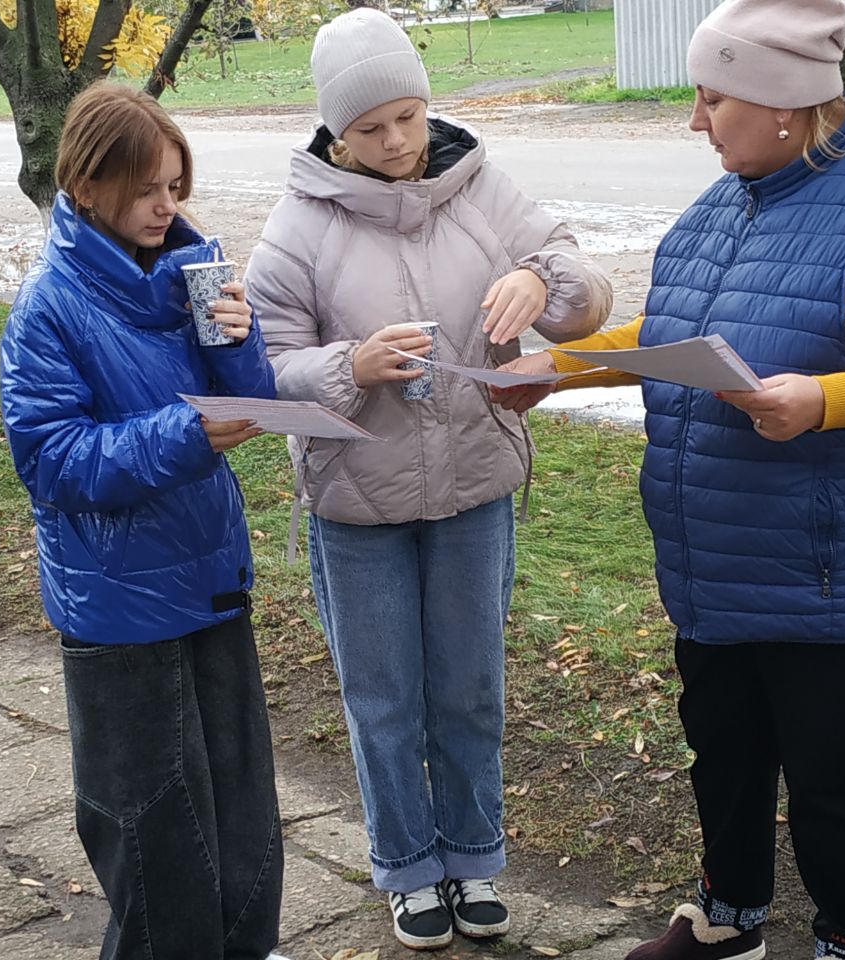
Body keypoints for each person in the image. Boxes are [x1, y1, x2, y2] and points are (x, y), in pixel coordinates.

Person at [493, 1, 845, 958]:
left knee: (836, 786)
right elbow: (669, 335)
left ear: (783, 103)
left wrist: (824, 399)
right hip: (717, 559)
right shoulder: (729, 198)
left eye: (713, 98)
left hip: (834, 572)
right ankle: (727, 924)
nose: (695, 121)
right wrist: (555, 367)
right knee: (724, 754)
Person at [245, 8, 613, 950]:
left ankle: (473, 857)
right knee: (383, 701)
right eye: (369, 129)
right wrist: (351, 366)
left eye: (407, 116)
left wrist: (543, 278)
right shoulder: (298, 226)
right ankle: (409, 867)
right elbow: (262, 370)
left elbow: (586, 294)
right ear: (335, 131)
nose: (396, 142)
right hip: (355, 506)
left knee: (469, 690)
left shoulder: (480, 188)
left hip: (473, 490)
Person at [0, 82, 284, 960]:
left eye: (175, 186)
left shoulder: (191, 277)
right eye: (148, 188)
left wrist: (239, 339)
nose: (168, 206)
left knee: (241, 814)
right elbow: (52, 462)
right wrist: (184, 435)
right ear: (86, 187)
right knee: (156, 835)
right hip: (119, 606)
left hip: (211, 579)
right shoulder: (48, 308)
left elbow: (254, 402)